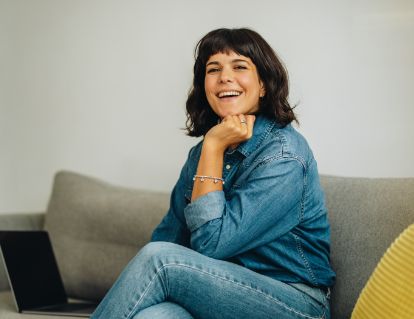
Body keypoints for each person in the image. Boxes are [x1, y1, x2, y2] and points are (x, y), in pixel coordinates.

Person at [91, 28, 335, 319]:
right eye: (213, 69)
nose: (225, 78)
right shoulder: (202, 153)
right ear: (204, 86)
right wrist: (211, 148)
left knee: (160, 261)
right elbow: (169, 238)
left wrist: (213, 147)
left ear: (263, 85)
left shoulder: (284, 156)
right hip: (220, 291)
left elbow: (210, 246)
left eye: (240, 66)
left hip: (294, 302)